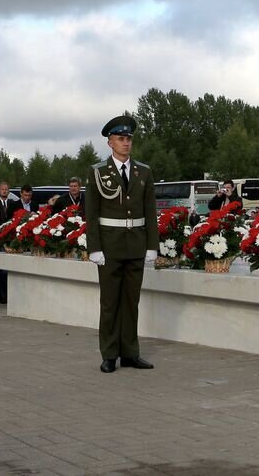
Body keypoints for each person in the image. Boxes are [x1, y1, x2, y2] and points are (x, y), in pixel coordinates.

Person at [86, 114, 158, 374]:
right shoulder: (97, 172)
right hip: (109, 247)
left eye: (128, 138)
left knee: (131, 302)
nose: (126, 143)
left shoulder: (144, 172)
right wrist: (94, 248)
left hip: (136, 245)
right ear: (110, 142)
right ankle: (109, 354)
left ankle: (130, 353)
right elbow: (91, 214)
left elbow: (150, 211)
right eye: (120, 139)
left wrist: (152, 246)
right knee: (109, 303)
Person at [0, 182, 20, 303]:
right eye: (2, 189)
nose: (4, 191)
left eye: (6, 189)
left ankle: (5, 288)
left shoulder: (12, 204)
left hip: (10, 237)